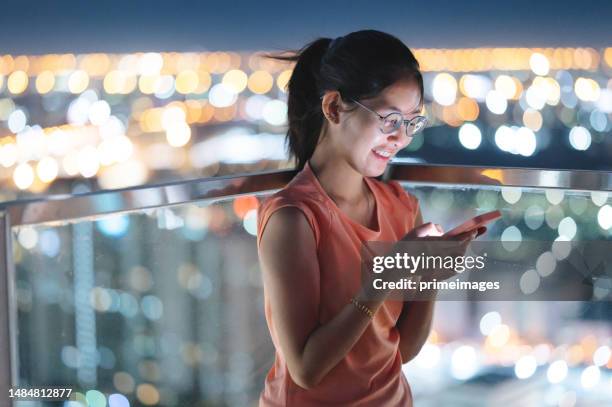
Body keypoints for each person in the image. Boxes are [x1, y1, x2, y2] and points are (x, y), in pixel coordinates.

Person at [256, 30, 482, 406]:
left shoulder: (402, 206)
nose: (400, 139)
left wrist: (429, 276)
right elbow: (306, 370)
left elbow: (400, 352)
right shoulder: (294, 219)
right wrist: (386, 276)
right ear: (333, 108)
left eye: (411, 122)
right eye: (390, 119)